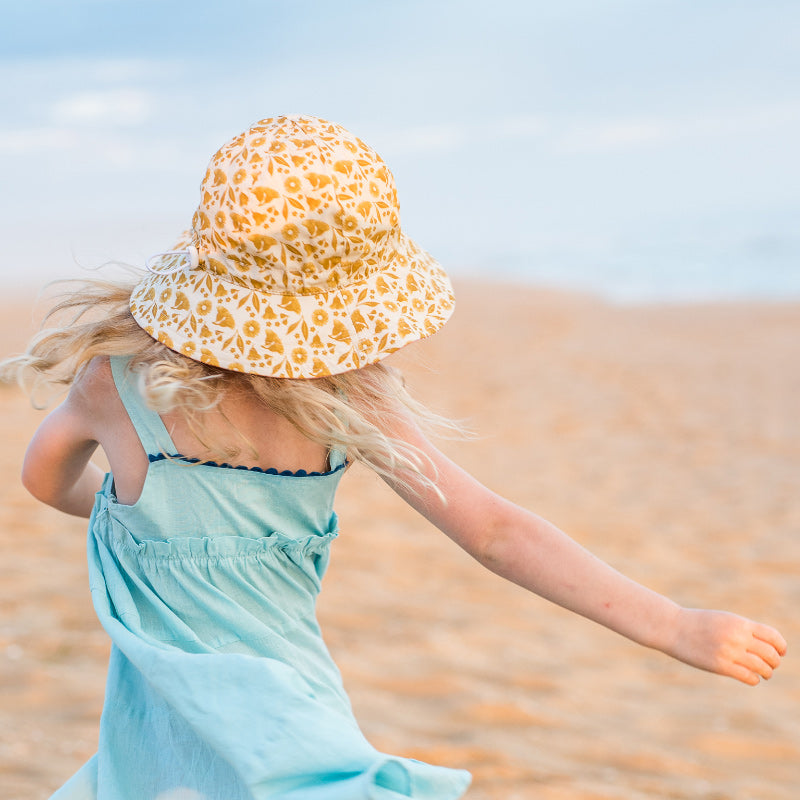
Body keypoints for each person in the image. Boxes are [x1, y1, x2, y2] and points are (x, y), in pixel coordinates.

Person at [6, 115, 785, 800]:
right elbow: (497, 534)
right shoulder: (347, 395)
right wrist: (675, 626)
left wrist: (134, 513)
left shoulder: (115, 386)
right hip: (291, 718)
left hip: (157, 731)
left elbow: (44, 480)